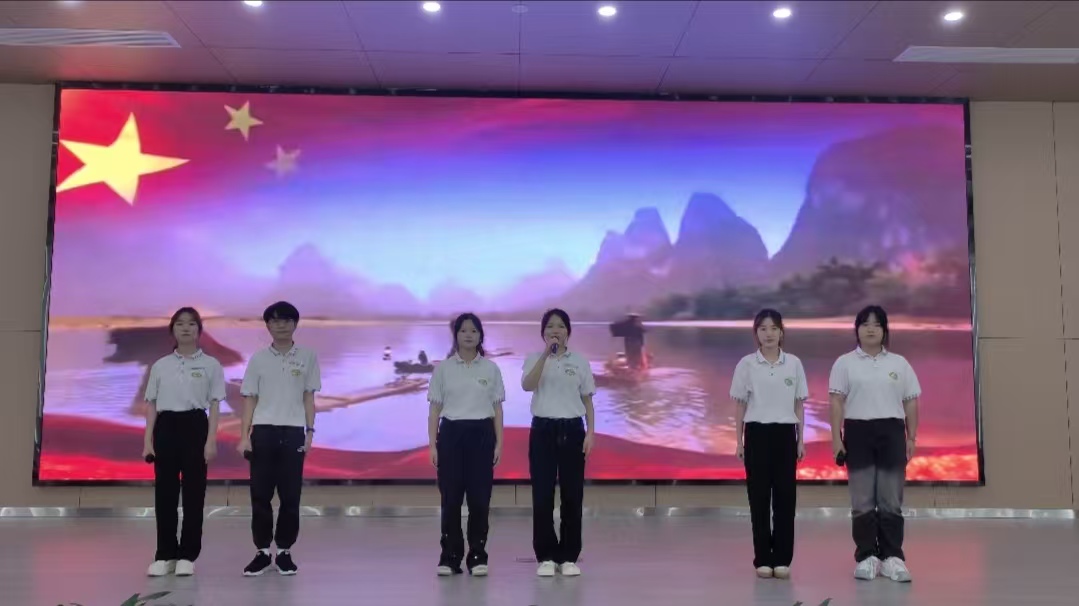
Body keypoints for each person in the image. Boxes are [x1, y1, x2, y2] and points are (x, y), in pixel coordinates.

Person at [829, 305, 920, 583]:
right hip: (857, 431)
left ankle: (892, 557)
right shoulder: (844, 363)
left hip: (892, 431)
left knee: (891, 499)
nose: (871, 329)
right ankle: (867, 556)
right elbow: (836, 402)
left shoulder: (899, 364)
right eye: (865, 324)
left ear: (884, 330)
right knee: (862, 500)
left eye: (877, 324)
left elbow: (910, 402)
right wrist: (836, 438)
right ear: (857, 329)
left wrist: (911, 437)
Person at [237, 301, 321, 577]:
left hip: (293, 432)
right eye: (274, 321)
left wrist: (310, 432)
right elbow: (250, 399)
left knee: (290, 496)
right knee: (260, 495)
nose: (280, 325)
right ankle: (262, 551)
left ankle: (284, 551)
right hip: (263, 431)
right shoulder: (258, 359)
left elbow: (309, 397)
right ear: (267, 326)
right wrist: (244, 436)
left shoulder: (307, 357)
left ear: (295, 324)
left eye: (286, 320)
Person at [142, 307, 225, 577]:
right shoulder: (160, 365)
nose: (186, 328)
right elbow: (152, 405)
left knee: (194, 493)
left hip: (195, 425)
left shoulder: (211, 365)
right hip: (166, 427)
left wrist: (211, 440)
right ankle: (165, 554)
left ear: (199, 330)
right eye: (180, 324)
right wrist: (147, 441)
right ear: (172, 330)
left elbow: (215, 405)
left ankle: (187, 555)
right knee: (164, 494)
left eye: (191, 324)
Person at [729, 309, 807, 580]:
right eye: (763, 329)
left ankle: (782, 558)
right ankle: (763, 558)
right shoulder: (746, 365)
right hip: (756, 435)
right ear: (756, 334)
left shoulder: (793, 363)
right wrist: (738, 441)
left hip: (785, 435)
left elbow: (799, 404)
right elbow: (740, 406)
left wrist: (800, 439)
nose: (769, 333)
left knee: (785, 499)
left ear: (782, 332)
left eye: (774, 328)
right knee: (759, 498)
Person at [427, 312, 505, 577]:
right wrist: (433, 445)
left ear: (481, 335)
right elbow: (434, 410)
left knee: (479, 500)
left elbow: (497, 409)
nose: (468, 335)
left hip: (482, 435)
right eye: (463, 330)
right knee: (450, 500)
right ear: (456, 335)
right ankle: (450, 557)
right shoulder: (443, 369)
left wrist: (499, 443)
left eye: (473, 330)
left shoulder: (491, 369)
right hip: (451, 435)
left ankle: (477, 555)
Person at [521, 308, 596, 578]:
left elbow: (587, 399)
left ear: (568, 332)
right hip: (543, 430)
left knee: (572, 495)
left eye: (561, 326)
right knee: (542, 495)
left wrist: (590, 433)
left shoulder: (580, 361)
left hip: (573, 430)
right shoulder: (533, 358)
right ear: (543, 332)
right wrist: (545, 355)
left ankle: (568, 556)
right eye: (550, 326)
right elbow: (527, 385)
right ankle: (546, 556)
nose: (556, 330)